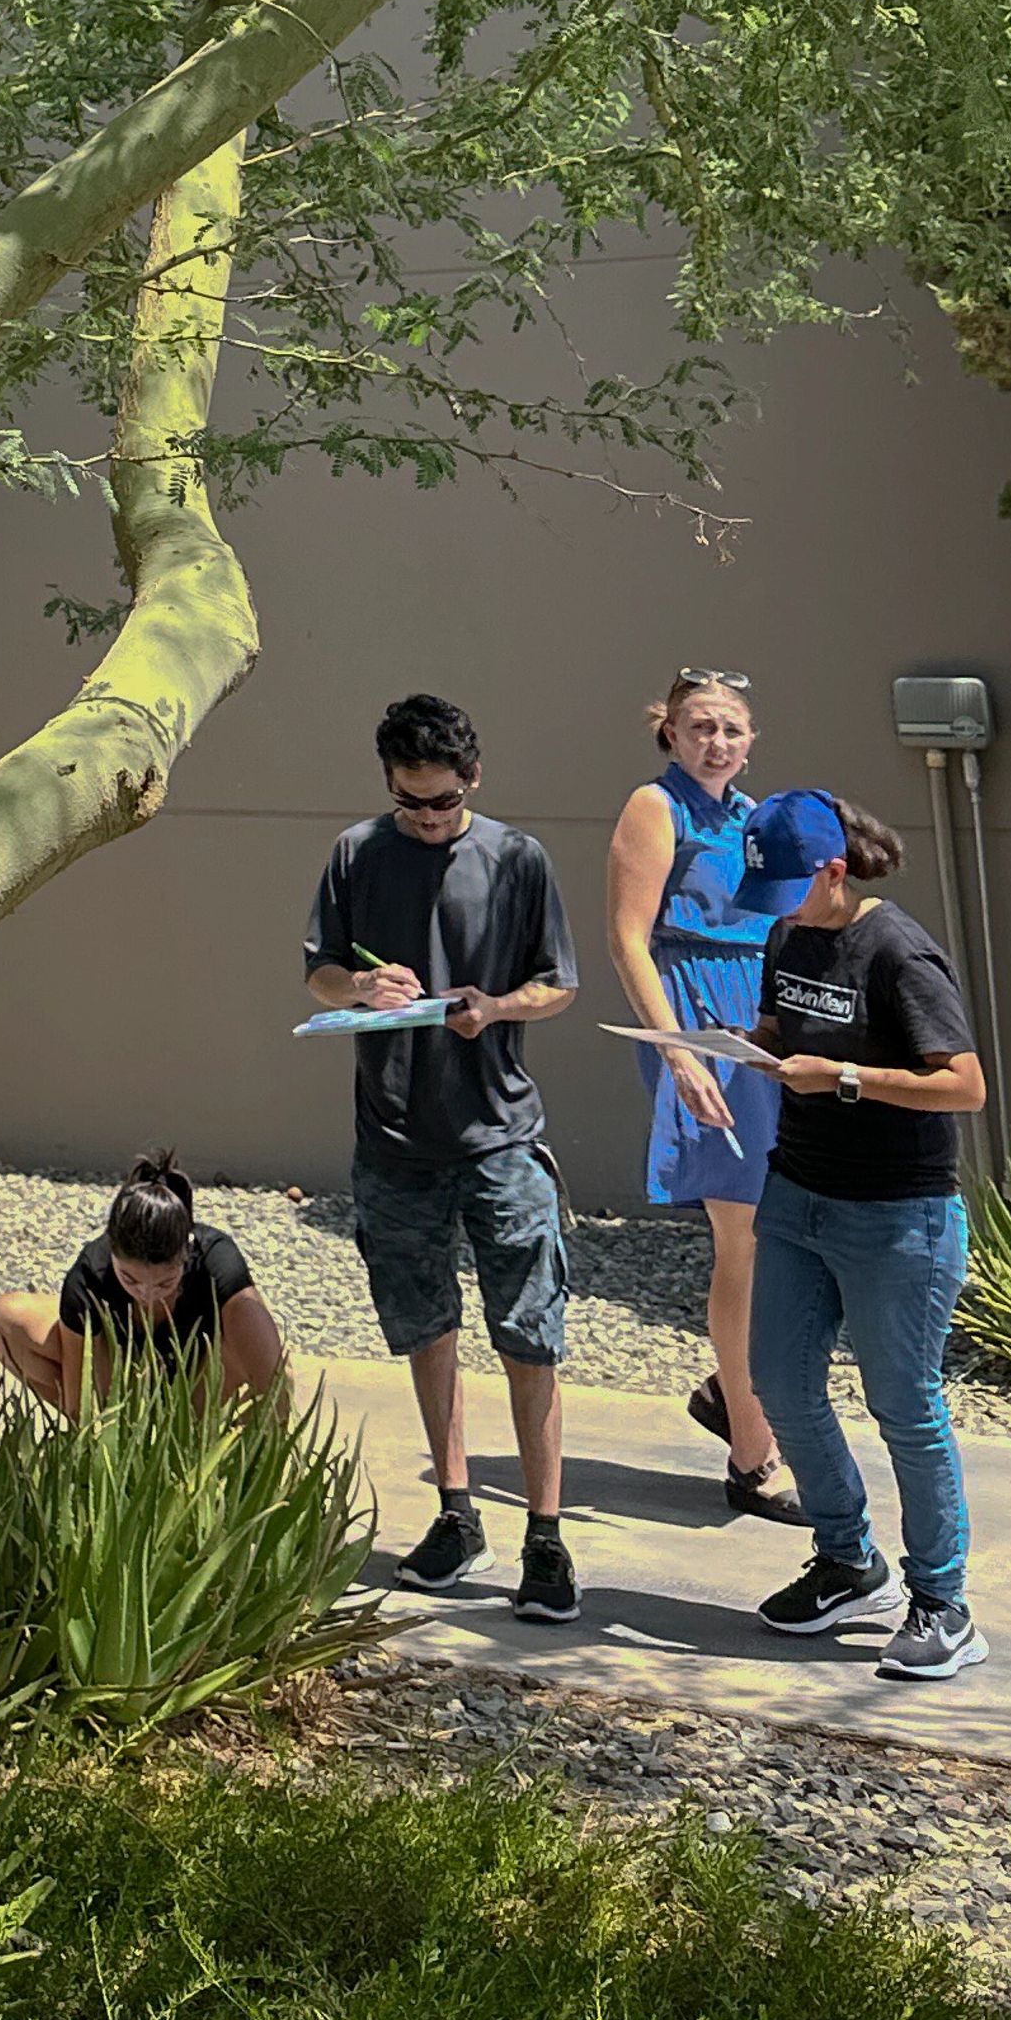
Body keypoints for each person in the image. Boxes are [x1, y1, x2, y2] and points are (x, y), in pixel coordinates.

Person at [303, 692, 581, 1615]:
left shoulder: (517, 859)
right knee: (425, 1328)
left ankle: (546, 1535)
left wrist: (495, 1009)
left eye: (442, 804)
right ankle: (457, 1513)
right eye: (409, 802)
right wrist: (363, 984)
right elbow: (320, 970)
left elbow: (558, 984)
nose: (426, 820)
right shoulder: (355, 853)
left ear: (473, 781)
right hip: (392, 1138)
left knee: (528, 1333)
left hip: (499, 1134)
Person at [746, 800, 991, 1680]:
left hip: (899, 1215)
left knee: (905, 1408)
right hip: (797, 1193)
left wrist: (843, 1076)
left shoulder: (899, 952)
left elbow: (964, 1087)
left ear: (834, 873)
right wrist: (743, 1045)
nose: (774, 906)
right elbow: (781, 1030)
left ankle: (943, 1602)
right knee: (777, 1379)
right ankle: (849, 1561)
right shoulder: (788, 938)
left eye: (787, 887)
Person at [601, 672, 832, 1517]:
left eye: (732, 728)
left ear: (752, 737)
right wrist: (677, 1056)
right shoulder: (654, 809)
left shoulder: (756, 817)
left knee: (783, 1228)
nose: (717, 742)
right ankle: (751, 1451)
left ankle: (733, 1394)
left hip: (761, 1024)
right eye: (701, 726)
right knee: (748, 1233)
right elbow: (628, 938)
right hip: (694, 1018)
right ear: (669, 731)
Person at [0, 1152, 289, 1417]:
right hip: (121, 1371)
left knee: (273, 1367)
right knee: (4, 1318)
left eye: (165, 1282)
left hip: (200, 1377)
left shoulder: (219, 1263)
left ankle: (197, 1437)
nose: (146, 1293)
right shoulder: (91, 1272)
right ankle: (130, 1428)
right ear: (112, 1252)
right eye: (130, 1279)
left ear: (187, 1253)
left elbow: (272, 1380)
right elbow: (82, 1399)